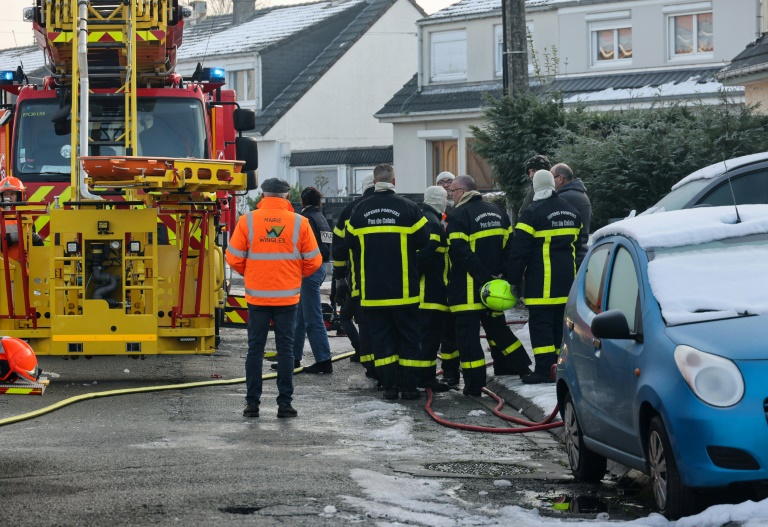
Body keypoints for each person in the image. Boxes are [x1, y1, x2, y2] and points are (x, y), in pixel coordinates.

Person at [226, 177, 322, 418]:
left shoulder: (247, 221)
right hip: (287, 298)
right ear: (288, 196)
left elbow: (233, 258)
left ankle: (252, 405)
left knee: (255, 350)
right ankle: (284, 404)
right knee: (286, 350)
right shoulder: (300, 222)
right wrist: (292, 273)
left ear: (262, 195)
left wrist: (251, 273)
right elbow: (314, 261)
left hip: (256, 297)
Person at [346, 163, 429, 400]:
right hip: (405, 291)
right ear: (393, 182)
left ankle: (390, 388)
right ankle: (410, 388)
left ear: (374, 183)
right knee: (409, 339)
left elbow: (349, 244)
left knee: (382, 341)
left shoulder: (359, 211)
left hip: (373, 292)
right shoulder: (410, 209)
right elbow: (425, 241)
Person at [446, 176, 532, 396]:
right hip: (494, 290)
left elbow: (460, 252)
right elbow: (509, 246)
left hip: (467, 291)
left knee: (468, 338)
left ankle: (474, 385)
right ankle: (523, 366)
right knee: (498, 330)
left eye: (453, 191)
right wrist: (500, 275)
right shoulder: (497, 212)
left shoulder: (458, 216)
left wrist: (484, 277)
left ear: (463, 191)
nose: (451, 195)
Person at [507, 170, 582, 385]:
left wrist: (513, 280)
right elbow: (579, 247)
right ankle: (560, 368)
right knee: (561, 328)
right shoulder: (572, 212)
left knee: (541, 329)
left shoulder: (532, 214)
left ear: (535, 187)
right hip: (568, 284)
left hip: (541, 285)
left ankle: (543, 370)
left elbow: (519, 251)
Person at [282, 187, 334, 374]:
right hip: (319, 268)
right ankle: (292, 358)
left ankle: (323, 360)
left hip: (309, 271)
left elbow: (300, 245)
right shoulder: (322, 219)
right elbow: (327, 247)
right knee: (301, 317)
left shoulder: (306, 219)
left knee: (313, 318)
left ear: (303, 201)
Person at [331, 174, 375, 376]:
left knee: (358, 318)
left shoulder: (351, 210)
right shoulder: (401, 207)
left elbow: (339, 247)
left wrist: (340, 279)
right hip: (397, 282)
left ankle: (366, 358)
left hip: (358, 278)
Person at [415, 185, 453, 393]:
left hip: (426, 292)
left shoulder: (423, 219)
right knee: (429, 339)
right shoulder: (434, 224)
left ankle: (422, 376)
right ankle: (426, 378)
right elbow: (424, 258)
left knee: (425, 338)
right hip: (430, 293)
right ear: (440, 200)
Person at [551, 163, 591, 268]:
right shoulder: (581, 195)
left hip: (571, 258)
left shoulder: (563, 199)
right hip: (581, 255)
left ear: (560, 178)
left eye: (551, 177)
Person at [1, 176, 43, 262]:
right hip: (4, 268)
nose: (8, 198)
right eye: (6, 194)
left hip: (24, 268)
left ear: (19, 195)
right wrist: (13, 237)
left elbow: (35, 245)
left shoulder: (26, 215)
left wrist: (35, 238)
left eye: (12, 194)